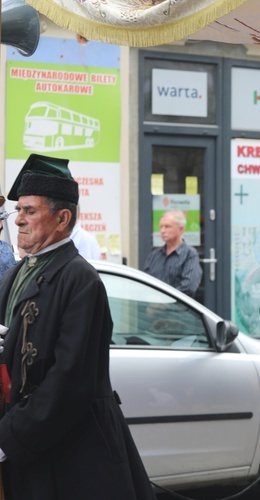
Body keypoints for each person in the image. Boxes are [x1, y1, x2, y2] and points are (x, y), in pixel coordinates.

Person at [0, 154, 154, 499]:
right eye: (18, 210)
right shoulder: (15, 274)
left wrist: (8, 438)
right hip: (29, 445)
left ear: (62, 217)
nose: (19, 220)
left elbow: (70, 381)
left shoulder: (80, 279)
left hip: (72, 454)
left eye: (30, 211)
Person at [143, 210, 202, 297]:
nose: (162, 231)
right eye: (161, 227)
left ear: (181, 229)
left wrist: (164, 301)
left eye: (167, 227)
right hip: (153, 307)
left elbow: (189, 287)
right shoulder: (154, 255)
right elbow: (145, 282)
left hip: (176, 308)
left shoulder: (189, 254)